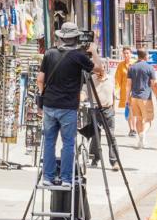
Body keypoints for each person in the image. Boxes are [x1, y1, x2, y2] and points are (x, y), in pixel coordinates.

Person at [37, 23, 103, 186]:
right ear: (76, 39)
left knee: (49, 141)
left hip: (50, 105)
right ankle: (66, 178)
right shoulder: (79, 56)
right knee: (68, 143)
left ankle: (48, 177)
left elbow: (40, 79)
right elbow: (100, 69)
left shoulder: (50, 53)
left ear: (61, 38)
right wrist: (93, 51)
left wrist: (41, 98)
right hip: (68, 107)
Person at [83, 60, 119, 169]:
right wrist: (81, 96)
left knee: (111, 136)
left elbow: (113, 94)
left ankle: (114, 161)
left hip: (108, 110)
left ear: (104, 68)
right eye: (96, 69)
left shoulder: (111, 79)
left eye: (101, 68)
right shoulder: (91, 79)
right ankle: (95, 158)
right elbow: (84, 92)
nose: (99, 71)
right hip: (94, 110)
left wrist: (114, 108)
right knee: (95, 136)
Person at [126, 49, 156, 149]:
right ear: (146, 56)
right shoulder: (150, 68)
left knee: (138, 119)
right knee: (148, 120)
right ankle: (143, 134)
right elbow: (153, 84)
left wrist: (127, 98)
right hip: (146, 97)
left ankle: (140, 139)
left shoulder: (132, 67)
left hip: (134, 97)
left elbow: (128, 84)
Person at [115, 46, 134, 135]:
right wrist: (116, 91)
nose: (126, 55)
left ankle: (135, 128)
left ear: (131, 54)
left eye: (128, 53)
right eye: (125, 53)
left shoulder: (135, 64)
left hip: (135, 90)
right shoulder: (120, 65)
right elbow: (117, 79)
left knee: (134, 110)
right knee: (129, 110)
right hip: (125, 91)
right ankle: (131, 129)